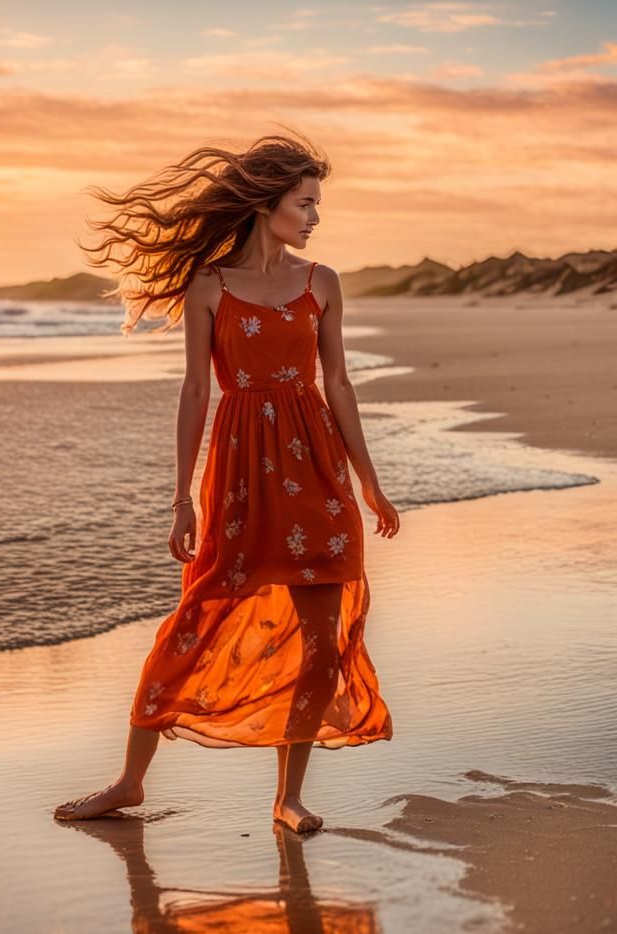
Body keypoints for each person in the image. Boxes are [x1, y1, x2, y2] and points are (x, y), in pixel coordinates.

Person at [55, 129, 399, 833]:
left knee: (322, 642)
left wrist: (369, 481)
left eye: (317, 205)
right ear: (266, 201)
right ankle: (129, 781)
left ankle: (289, 797)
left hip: (318, 471)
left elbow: (337, 383)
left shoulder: (321, 282)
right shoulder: (209, 285)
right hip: (242, 477)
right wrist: (180, 497)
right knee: (195, 618)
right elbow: (194, 393)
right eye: (304, 203)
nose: (314, 217)